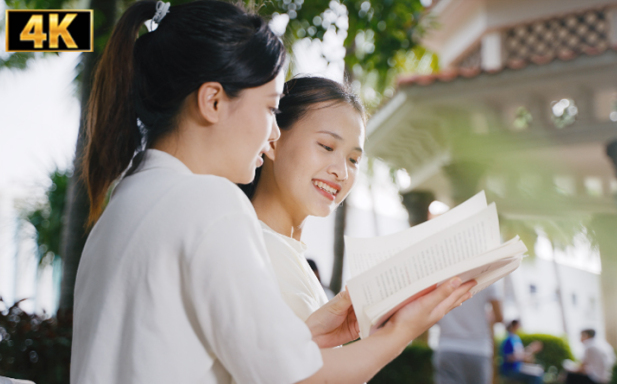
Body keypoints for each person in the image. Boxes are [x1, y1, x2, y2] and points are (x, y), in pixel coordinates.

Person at [71, 2, 476, 383]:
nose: (274, 132)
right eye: (269, 108)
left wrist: (316, 328)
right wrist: (402, 330)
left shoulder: (125, 200)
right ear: (212, 101)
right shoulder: (209, 203)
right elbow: (296, 378)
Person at [239, 76, 367, 321]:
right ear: (272, 141)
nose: (341, 172)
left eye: (353, 160)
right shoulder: (254, 249)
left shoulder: (291, 257)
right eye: (326, 146)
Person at [433, 283, 504, 384]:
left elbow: (433, 316)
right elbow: (499, 317)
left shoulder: (443, 280)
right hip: (478, 349)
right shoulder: (489, 277)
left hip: (448, 347)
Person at [500, 320, 545, 384]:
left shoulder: (517, 338)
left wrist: (531, 349)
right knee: (536, 376)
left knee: (539, 371)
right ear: (515, 326)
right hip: (511, 370)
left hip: (519, 367)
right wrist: (522, 356)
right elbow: (507, 357)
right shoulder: (508, 340)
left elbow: (522, 355)